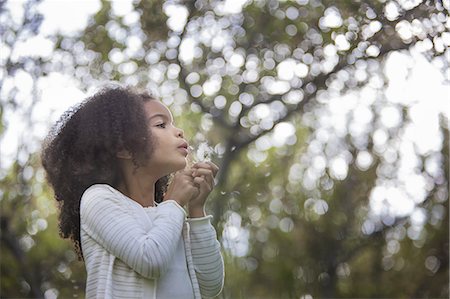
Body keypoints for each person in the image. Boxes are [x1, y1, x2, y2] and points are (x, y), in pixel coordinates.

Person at [41, 86, 224, 298]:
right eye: (161, 124)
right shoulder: (98, 199)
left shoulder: (169, 218)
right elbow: (150, 259)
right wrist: (174, 202)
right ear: (124, 148)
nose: (178, 131)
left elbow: (209, 286)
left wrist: (196, 209)